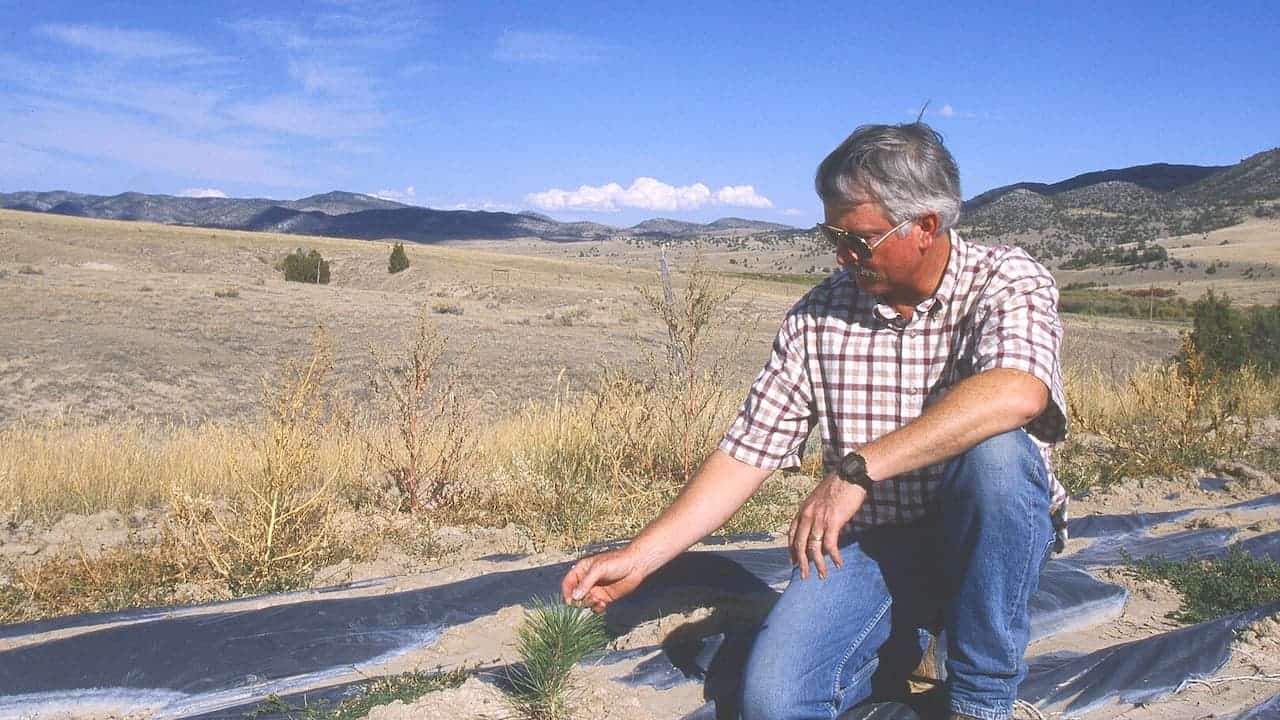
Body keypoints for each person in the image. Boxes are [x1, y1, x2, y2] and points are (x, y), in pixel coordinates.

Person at [561, 122, 1067, 720]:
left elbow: (1019, 392)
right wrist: (640, 558)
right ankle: (913, 635)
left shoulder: (1005, 279)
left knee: (999, 455)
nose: (842, 255)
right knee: (774, 702)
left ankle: (982, 703)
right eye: (833, 235)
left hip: (978, 538)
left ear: (926, 227)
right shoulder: (817, 315)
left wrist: (858, 469)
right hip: (874, 544)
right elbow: (747, 451)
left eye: (859, 239)